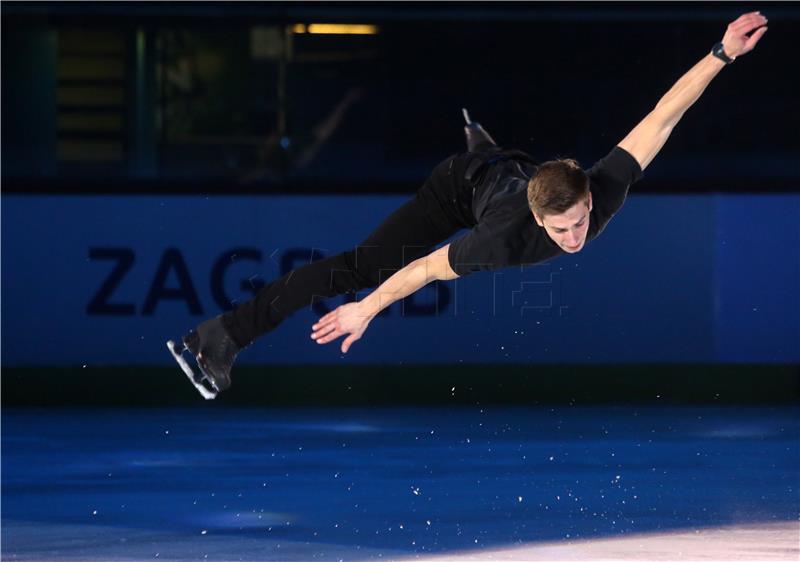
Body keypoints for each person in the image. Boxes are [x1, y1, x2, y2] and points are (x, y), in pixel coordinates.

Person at [168, 12, 768, 399]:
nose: (575, 235)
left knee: (508, 169)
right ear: (539, 221)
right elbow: (424, 268)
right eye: (562, 228)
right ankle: (221, 336)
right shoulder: (503, 240)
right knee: (360, 266)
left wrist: (722, 52)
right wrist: (366, 311)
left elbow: (663, 114)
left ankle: (487, 146)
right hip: (457, 190)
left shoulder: (600, 185)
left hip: (510, 179)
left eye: (580, 219)